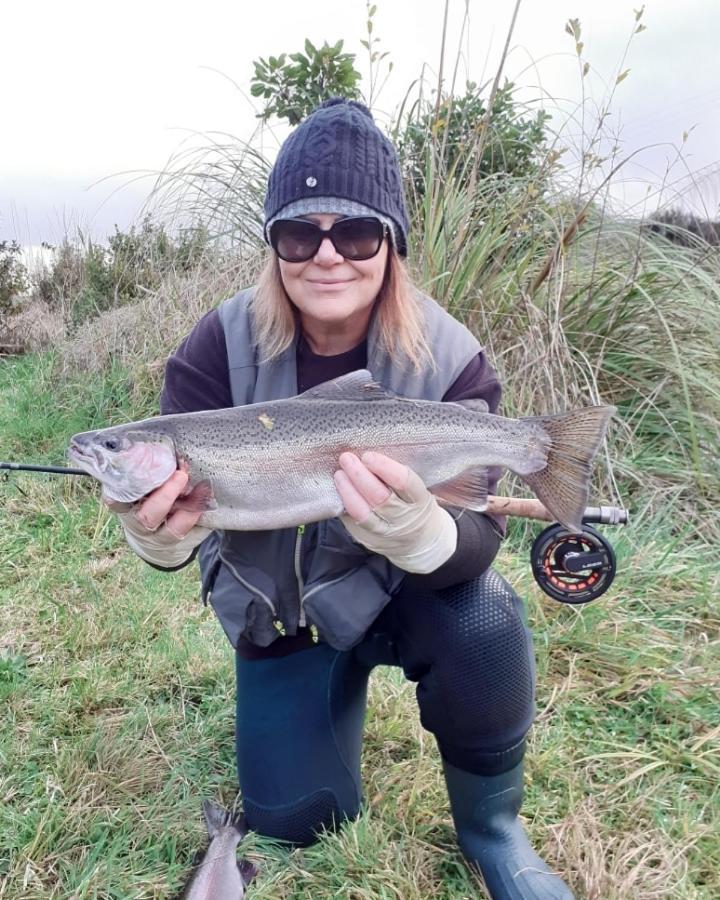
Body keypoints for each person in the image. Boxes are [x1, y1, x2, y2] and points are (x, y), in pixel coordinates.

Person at [110, 98, 574, 899]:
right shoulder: (214, 347)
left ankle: (492, 828)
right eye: (299, 233)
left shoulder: (451, 357)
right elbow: (173, 532)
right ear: (274, 246)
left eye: (355, 232)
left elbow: (480, 538)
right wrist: (162, 540)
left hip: (406, 596)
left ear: (389, 242)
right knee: (295, 819)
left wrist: (424, 534)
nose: (327, 255)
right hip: (281, 619)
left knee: (487, 619)